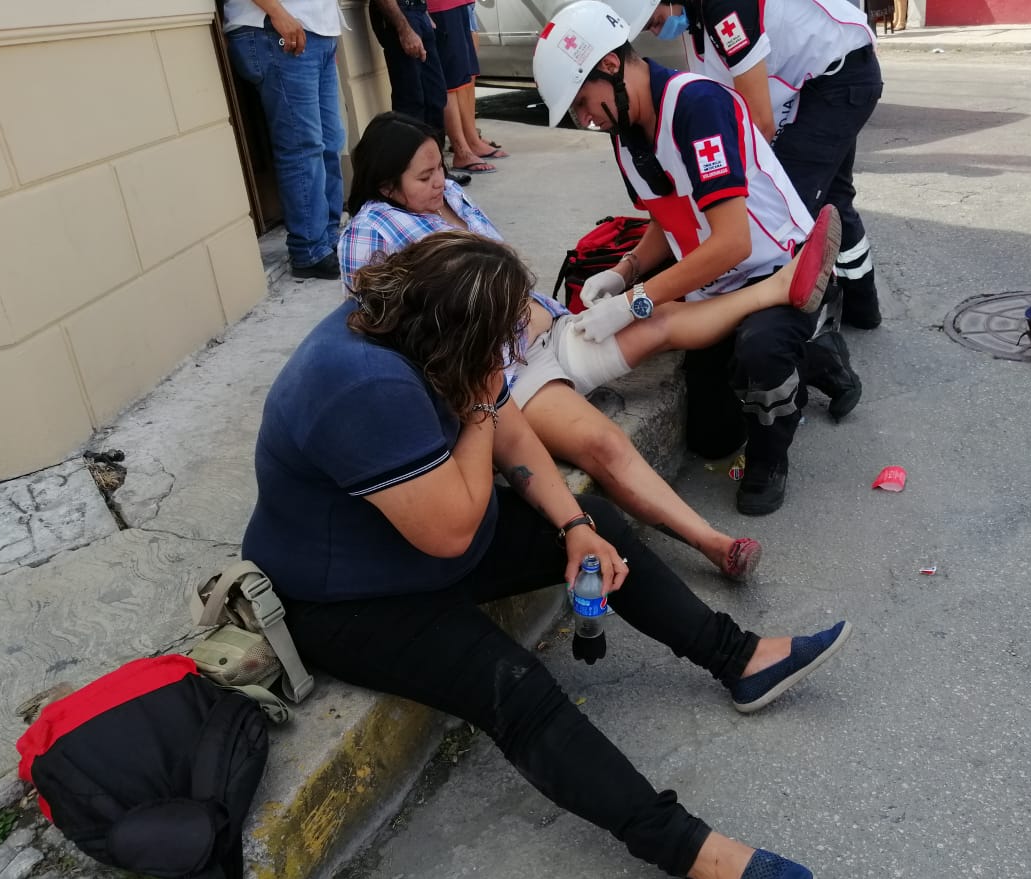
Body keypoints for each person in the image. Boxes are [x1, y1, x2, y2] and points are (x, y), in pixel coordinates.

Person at [242, 230, 855, 879]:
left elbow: (509, 432)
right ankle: (688, 850)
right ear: (460, 335)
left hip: (415, 539)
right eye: (502, 342)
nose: (515, 350)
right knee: (514, 688)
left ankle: (739, 658)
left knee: (599, 525)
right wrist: (479, 403)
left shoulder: (416, 323)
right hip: (343, 596)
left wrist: (574, 526)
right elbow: (452, 529)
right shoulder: (361, 385)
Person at [338, 114, 838, 577]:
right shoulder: (370, 231)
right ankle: (713, 543)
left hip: (547, 331)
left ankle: (779, 288)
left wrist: (609, 290)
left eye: (440, 168)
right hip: (504, 374)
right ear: (386, 186)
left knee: (658, 321)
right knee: (604, 444)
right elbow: (385, 331)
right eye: (424, 177)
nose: (440, 182)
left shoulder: (449, 195)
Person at [533, 1, 860, 516]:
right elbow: (668, 218)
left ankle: (770, 458)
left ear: (611, 66)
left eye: (582, 103)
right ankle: (818, 356)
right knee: (713, 438)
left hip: (779, 265)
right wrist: (623, 271)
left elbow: (733, 243)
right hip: (714, 282)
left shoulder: (696, 107)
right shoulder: (627, 135)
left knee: (760, 353)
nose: (585, 119)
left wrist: (635, 302)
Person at [641, 0, 885, 328]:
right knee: (833, 196)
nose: (657, 33)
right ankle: (862, 308)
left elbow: (758, 122)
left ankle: (803, 331)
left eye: (655, 21)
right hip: (825, 75)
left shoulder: (723, 6)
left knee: (787, 213)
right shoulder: (695, 16)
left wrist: (725, 188)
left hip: (839, 77)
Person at [222, 0, 345, 280]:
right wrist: (277, 12)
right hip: (274, 26)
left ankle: (326, 238)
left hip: (316, 30)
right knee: (303, 146)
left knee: (330, 142)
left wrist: (328, 30)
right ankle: (309, 249)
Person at [427, 0, 506, 175]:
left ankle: (472, 141)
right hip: (439, 6)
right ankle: (461, 150)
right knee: (451, 81)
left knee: (465, 76)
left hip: (458, 5)